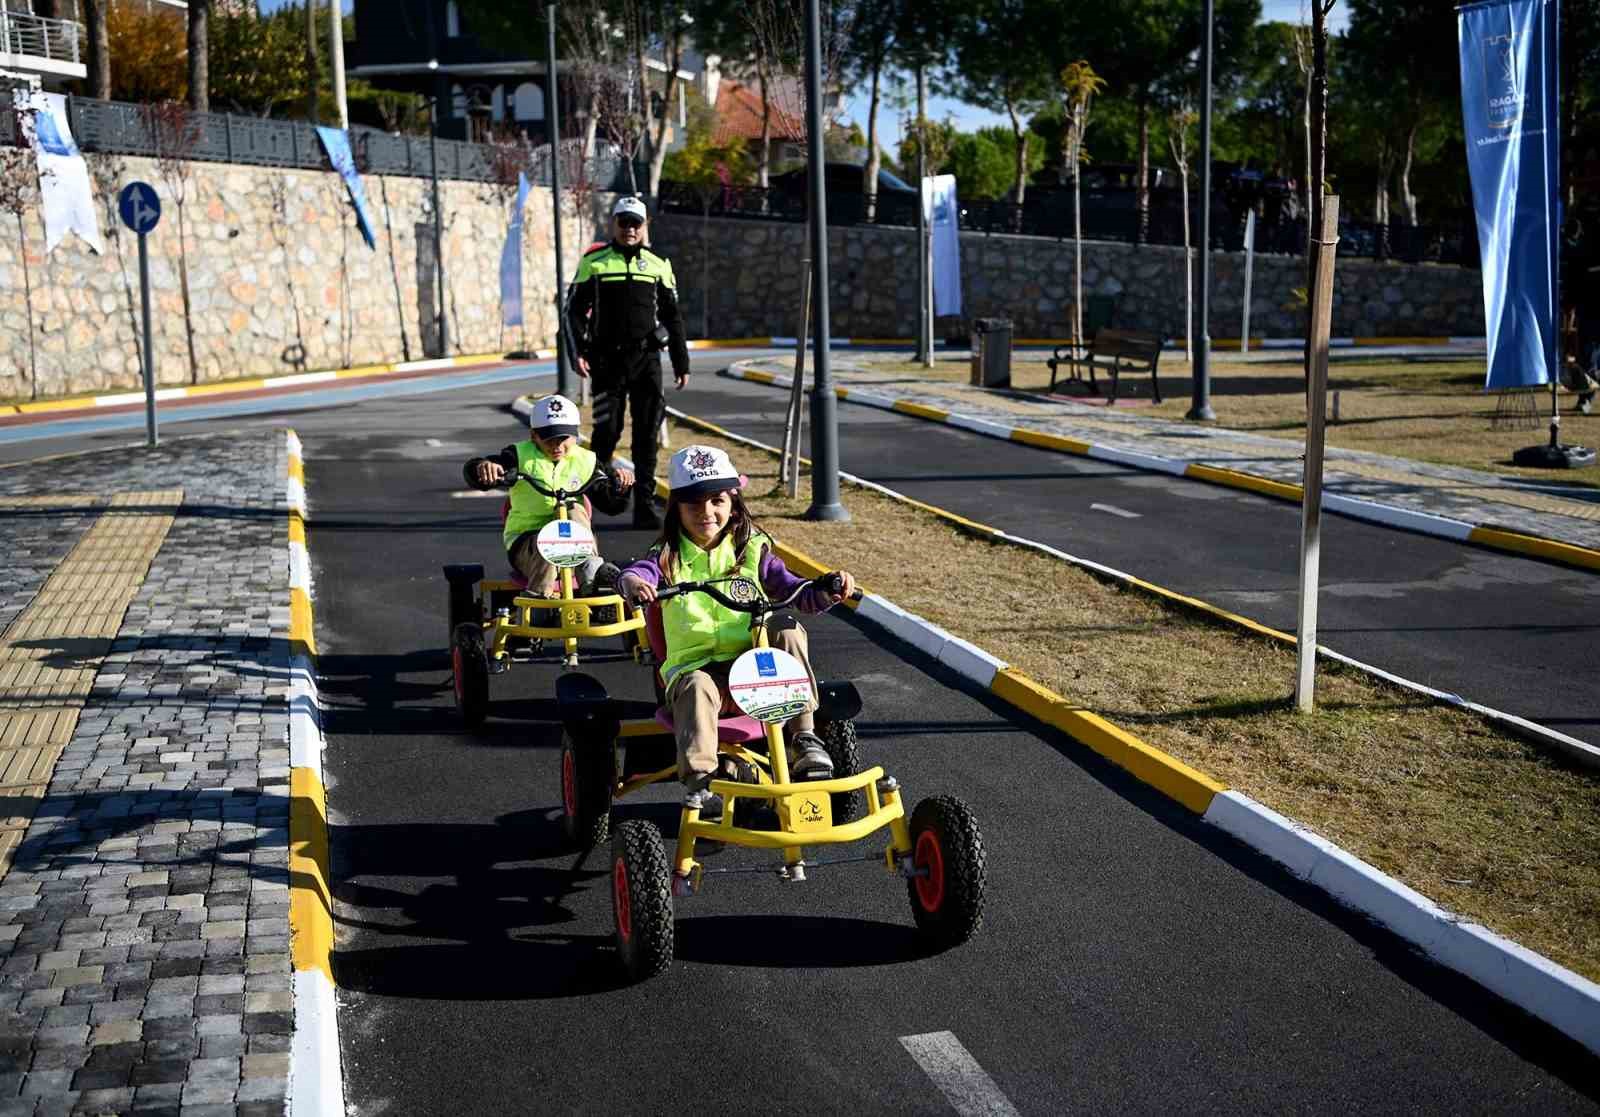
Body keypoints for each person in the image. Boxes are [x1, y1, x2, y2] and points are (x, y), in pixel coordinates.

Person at [618, 445, 857, 821]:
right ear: (677, 508)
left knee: (787, 628)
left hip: (754, 673)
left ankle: (805, 739)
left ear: (733, 501)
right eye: (694, 504)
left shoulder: (752, 550)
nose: (707, 513)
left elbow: (794, 589)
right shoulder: (666, 556)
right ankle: (702, 780)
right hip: (696, 674)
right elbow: (638, 574)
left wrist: (828, 588)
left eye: (717, 500)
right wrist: (633, 584)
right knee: (697, 685)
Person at [565, 195, 691, 530]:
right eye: (624, 222)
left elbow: (673, 317)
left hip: (647, 362)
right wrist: (577, 352)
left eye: (636, 223)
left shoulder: (659, 264)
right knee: (607, 432)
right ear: (614, 225)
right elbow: (573, 312)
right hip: (606, 363)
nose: (630, 229)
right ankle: (601, 495)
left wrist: (682, 362)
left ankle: (645, 504)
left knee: (646, 434)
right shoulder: (595, 262)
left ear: (645, 225)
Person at [461, 394, 634, 597]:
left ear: (576, 435)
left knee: (574, 509)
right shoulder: (518, 456)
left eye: (563, 438)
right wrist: (484, 468)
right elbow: (479, 471)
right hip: (528, 543)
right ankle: (540, 601)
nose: (557, 446)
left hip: (577, 545)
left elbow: (611, 505)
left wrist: (620, 488)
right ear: (534, 436)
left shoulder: (586, 461)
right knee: (550, 543)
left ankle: (592, 578)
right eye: (549, 439)